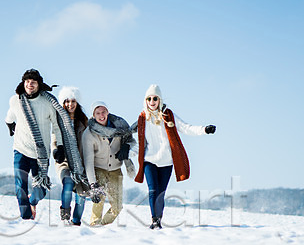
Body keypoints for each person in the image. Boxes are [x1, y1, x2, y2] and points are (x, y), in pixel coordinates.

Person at [134, 84, 216, 229]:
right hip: (149, 160)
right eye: (149, 98)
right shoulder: (142, 118)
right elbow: (138, 142)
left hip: (166, 161)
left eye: (155, 98)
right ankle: (154, 220)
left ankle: (158, 218)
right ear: (145, 100)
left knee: (161, 193)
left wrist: (204, 129)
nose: (152, 101)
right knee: (153, 190)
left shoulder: (168, 115)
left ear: (159, 100)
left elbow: (185, 127)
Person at [5, 68, 65, 220]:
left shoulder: (48, 103)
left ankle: (33, 201)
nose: (30, 85)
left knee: (40, 190)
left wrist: (60, 147)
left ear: (39, 84)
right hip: (20, 149)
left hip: (40, 154)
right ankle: (26, 218)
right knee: (20, 187)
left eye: (33, 82)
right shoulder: (15, 100)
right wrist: (9, 124)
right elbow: (10, 116)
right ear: (23, 83)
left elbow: (57, 126)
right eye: (27, 82)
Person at [82, 101, 136, 226]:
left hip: (116, 170)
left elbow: (132, 142)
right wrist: (93, 184)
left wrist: (126, 147)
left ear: (108, 112)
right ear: (93, 115)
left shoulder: (120, 127)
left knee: (117, 207)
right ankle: (95, 225)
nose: (101, 115)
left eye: (103, 112)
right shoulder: (89, 133)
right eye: (98, 113)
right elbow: (88, 161)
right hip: (98, 169)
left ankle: (102, 226)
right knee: (98, 202)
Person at [52, 86, 88, 225]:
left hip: (80, 162)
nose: (70, 104)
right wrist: (56, 151)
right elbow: (54, 138)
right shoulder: (58, 120)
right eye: (67, 101)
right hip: (64, 160)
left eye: (73, 101)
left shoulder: (84, 121)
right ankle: (65, 216)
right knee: (67, 183)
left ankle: (76, 221)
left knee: (82, 194)